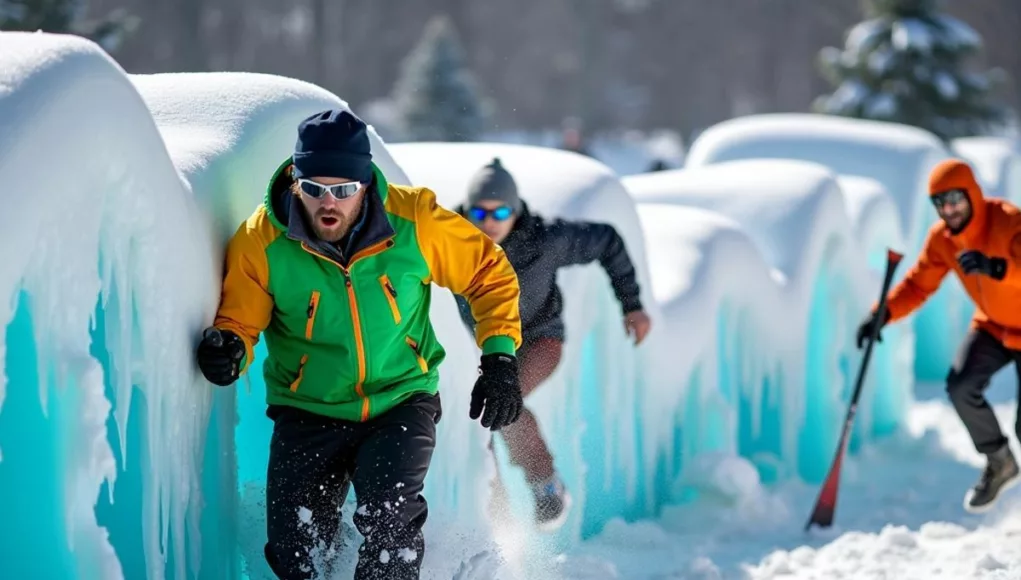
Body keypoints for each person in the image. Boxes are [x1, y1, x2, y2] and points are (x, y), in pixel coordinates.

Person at [195, 109, 524, 580]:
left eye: (343, 190)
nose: (328, 203)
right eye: (313, 189)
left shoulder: (415, 221)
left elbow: (488, 273)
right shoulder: (261, 241)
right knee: (295, 551)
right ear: (295, 182)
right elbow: (240, 320)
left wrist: (499, 357)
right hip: (308, 408)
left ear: (366, 184)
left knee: (390, 522)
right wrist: (229, 348)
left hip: (399, 400)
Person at [454, 157, 652, 531]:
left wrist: (633, 306)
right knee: (478, 423)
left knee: (503, 401)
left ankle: (546, 484)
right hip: (485, 349)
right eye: (480, 211)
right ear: (466, 210)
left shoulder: (544, 239)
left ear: (517, 210)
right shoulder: (452, 240)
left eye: (501, 211)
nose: (490, 221)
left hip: (539, 339)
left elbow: (607, 240)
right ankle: (494, 514)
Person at [856, 158, 1021, 513]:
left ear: (973, 195)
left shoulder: (1008, 221)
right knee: (961, 386)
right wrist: (882, 314)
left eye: (956, 200)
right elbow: (918, 285)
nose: (949, 210)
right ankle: (999, 460)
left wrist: (995, 267)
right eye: (940, 203)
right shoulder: (943, 240)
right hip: (993, 324)